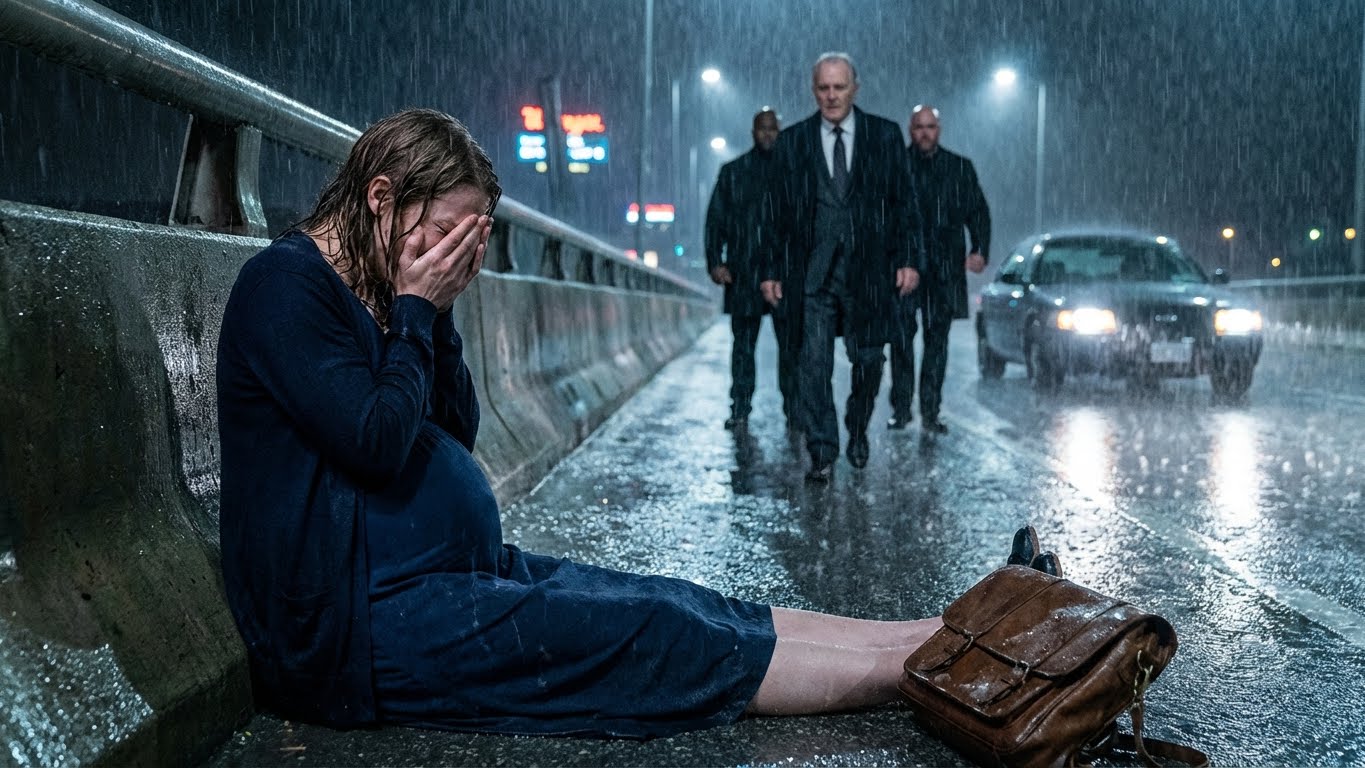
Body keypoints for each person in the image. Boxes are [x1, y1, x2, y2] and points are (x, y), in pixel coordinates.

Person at [217, 106, 1027, 738]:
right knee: (655, 636)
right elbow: (375, 444)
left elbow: (450, 432)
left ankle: (938, 632)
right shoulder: (285, 288)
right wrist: (415, 310)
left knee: (684, 603)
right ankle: (949, 673)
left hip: (448, 574)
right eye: (440, 237)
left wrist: (439, 311)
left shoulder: (383, 288)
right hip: (357, 627)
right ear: (380, 199)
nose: (447, 258)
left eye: (465, 245)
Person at [760, 53, 921, 482]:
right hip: (812, 274)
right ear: (813, 91)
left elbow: (905, 203)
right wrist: (771, 269)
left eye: (839, 87)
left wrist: (908, 259)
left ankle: (857, 423)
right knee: (812, 363)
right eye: (823, 88)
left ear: (855, 88)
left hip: (869, 273)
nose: (831, 96)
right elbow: (775, 212)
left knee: (869, 361)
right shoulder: (793, 142)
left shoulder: (884, 136)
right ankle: (822, 449)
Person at [888, 105, 991, 435]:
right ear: (910, 130)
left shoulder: (958, 168)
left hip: (944, 268)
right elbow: (883, 215)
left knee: (936, 342)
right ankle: (902, 409)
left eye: (930, 126)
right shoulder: (896, 166)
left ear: (939, 129)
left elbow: (978, 211)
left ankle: (930, 411)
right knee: (901, 340)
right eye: (919, 127)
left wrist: (980, 249)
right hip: (905, 266)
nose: (924, 133)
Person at [705, 108, 797, 431]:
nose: (768, 134)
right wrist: (715, 261)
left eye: (773, 129)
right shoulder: (734, 172)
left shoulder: (792, 172)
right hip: (745, 271)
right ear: (753, 132)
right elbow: (715, 220)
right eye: (763, 129)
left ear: (779, 132)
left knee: (790, 348)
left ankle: (794, 409)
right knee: (744, 347)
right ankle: (741, 407)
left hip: (784, 272)